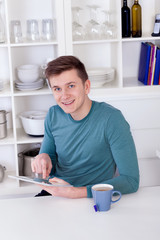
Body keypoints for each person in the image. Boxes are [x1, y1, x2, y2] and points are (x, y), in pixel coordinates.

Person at [31, 55, 139, 198]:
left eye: (71, 86)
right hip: (57, 194)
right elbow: (49, 162)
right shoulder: (53, 115)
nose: (64, 96)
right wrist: (43, 158)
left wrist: (76, 192)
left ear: (86, 86)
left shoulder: (111, 119)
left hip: (93, 198)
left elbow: (131, 181)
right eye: (57, 89)